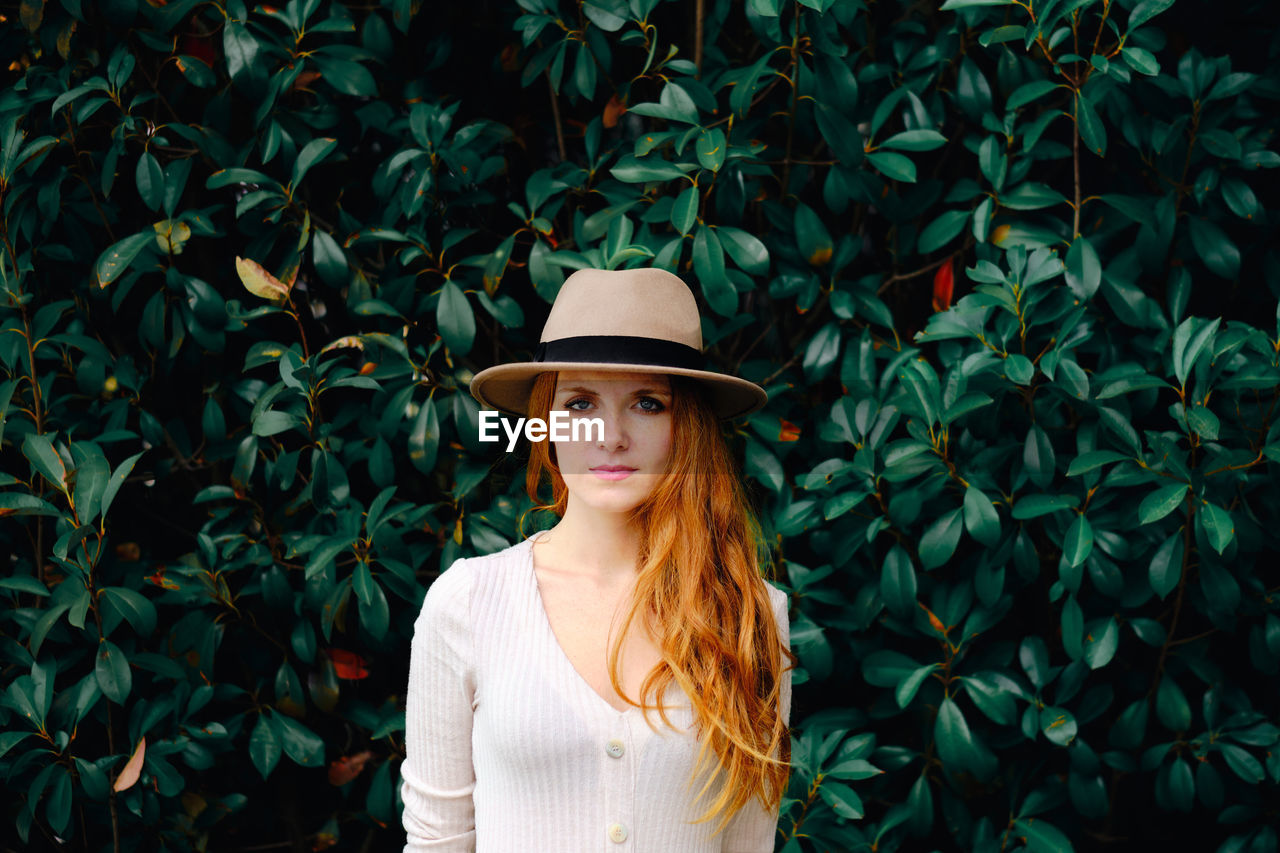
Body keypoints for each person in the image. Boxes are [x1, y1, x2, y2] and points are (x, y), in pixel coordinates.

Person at [400, 267, 794, 852]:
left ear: (686, 425)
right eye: (580, 402)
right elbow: (436, 842)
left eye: (646, 403)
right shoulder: (467, 603)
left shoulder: (749, 612)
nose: (610, 436)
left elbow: (750, 844)